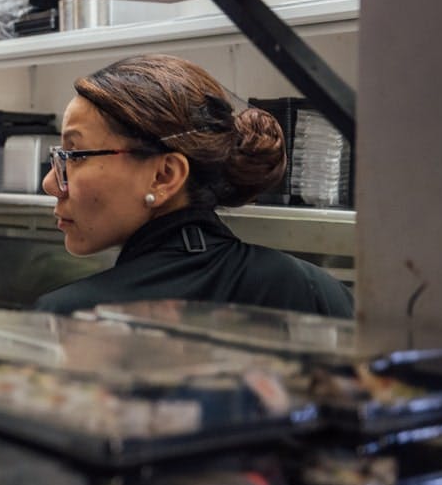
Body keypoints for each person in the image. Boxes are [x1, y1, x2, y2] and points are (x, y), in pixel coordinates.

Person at [34, 54, 354, 317]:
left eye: (74, 155)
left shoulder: (73, 319)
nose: (51, 182)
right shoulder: (321, 293)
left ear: (164, 176)